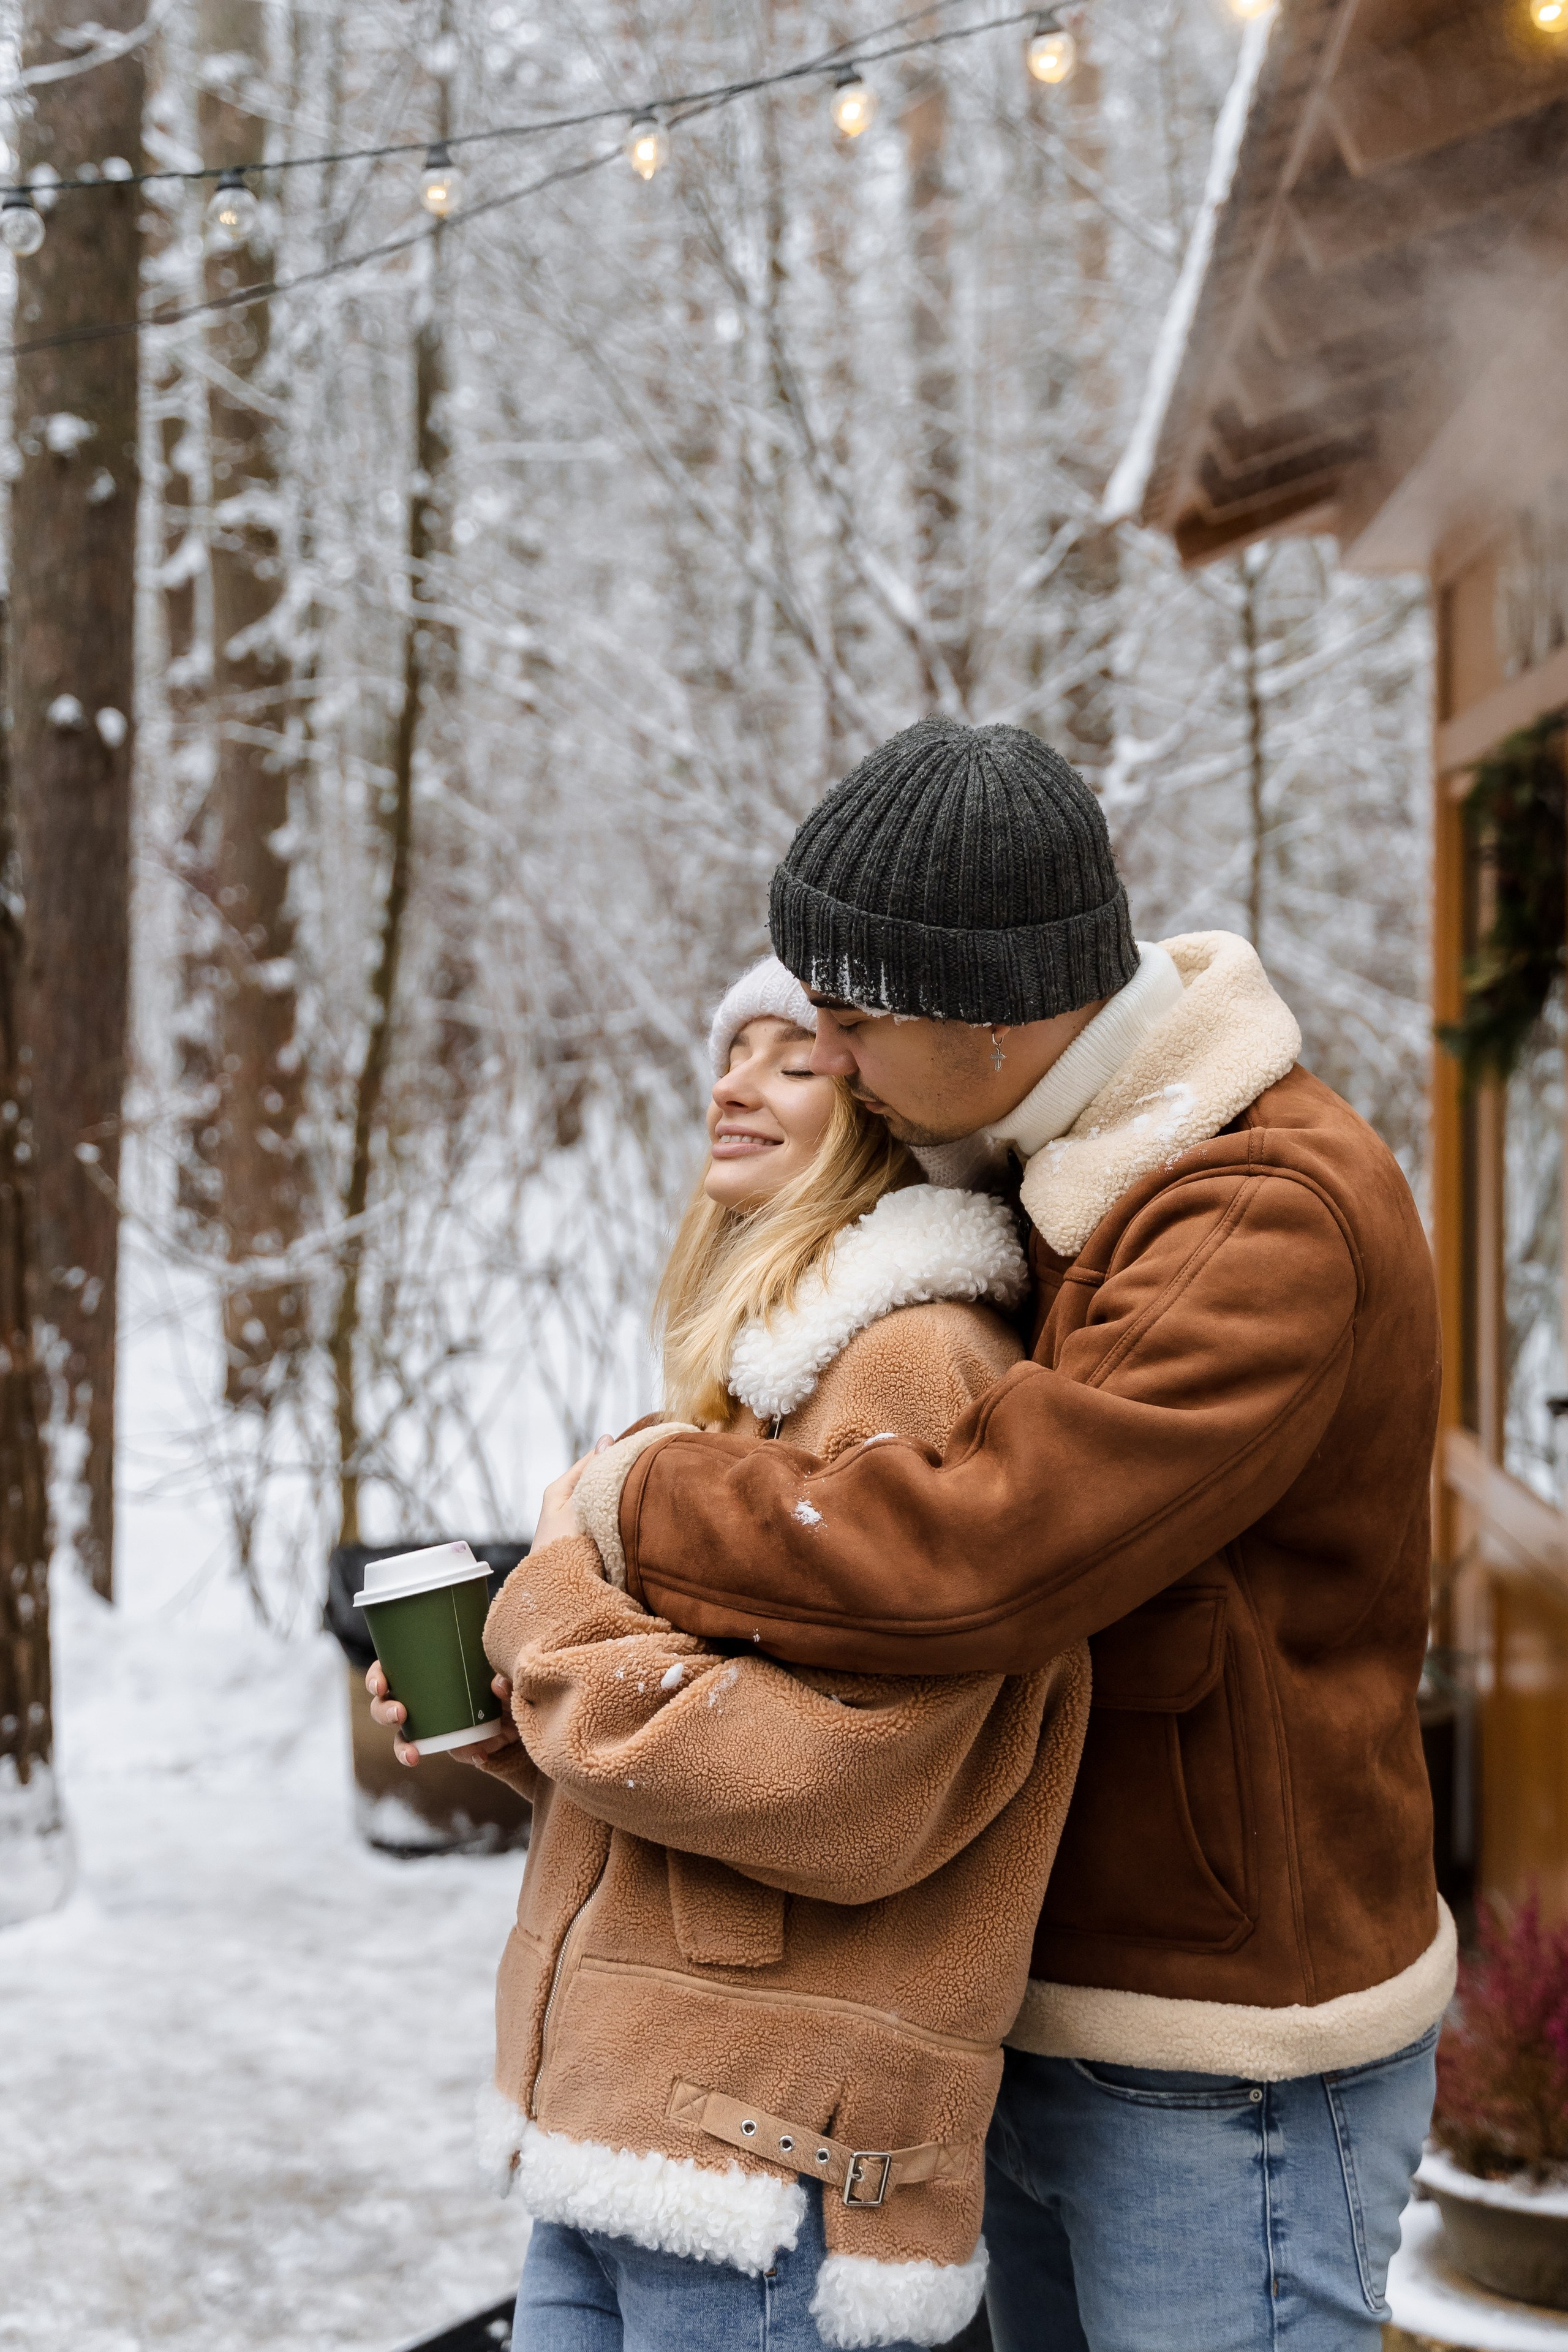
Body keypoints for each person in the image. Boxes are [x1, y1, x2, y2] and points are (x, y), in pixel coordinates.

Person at [548, 715, 1450, 2352]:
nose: (832, 1056)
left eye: (852, 1020)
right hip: (1049, 2008)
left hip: (1222, 2049)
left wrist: (638, 1502)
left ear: (995, 1011)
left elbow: (980, 1550)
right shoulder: (1068, 1176)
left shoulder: (1255, 1210)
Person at [369, 955, 1088, 2352]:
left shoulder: (915, 1368)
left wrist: (550, 1612)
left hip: (765, 2162)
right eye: (729, 1052)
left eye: (790, 1057)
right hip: (638, 2125)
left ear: (881, 1100)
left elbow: (850, 1785)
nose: (731, 1084)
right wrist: (518, 1721)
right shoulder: (773, 1387)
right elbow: (723, 1740)